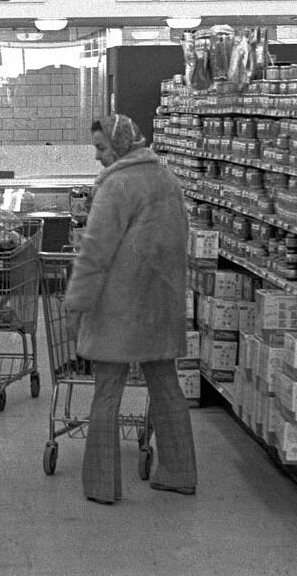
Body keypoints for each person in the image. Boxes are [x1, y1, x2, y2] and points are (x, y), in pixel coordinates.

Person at [64, 113, 197, 504]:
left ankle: (103, 485)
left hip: (118, 307)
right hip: (160, 304)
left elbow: (94, 252)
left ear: (120, 146)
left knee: (107, 392)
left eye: (102, 149)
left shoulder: (117, 185)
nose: (98, 157)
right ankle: (179, 472)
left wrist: (77, 303)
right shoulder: (167, 180)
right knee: (166, 388)